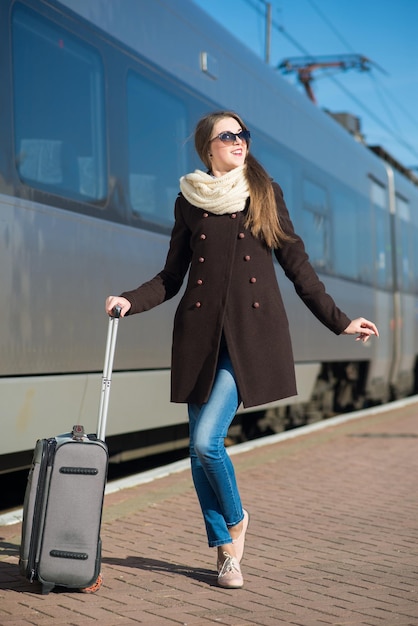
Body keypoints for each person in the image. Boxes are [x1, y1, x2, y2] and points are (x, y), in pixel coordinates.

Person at [106, 110, 379, 589]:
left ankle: (237, 520)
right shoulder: (189, 201)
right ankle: (226, 556)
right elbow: (172, 277)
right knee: (198, 455)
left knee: (204, 442)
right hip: (199, 338)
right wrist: (130, 299)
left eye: (242, 134)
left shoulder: (264, 194)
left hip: (248, 337)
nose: (238, 141)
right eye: (227, 135)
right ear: (207, 148)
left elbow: (298, 266)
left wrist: (339, 321)